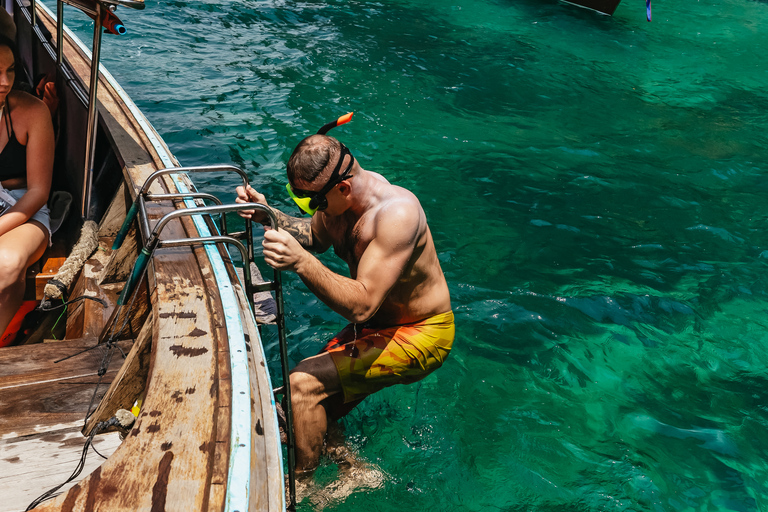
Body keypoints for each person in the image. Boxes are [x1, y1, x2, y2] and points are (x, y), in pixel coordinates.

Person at [236, 122, 454, 475]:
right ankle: (354, 470)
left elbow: (363, 303)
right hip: (375, 327)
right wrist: (269, 214)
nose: (309, 208)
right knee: (299, 410)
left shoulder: (397, 215)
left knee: (301, 387)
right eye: (299, 199)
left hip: (423, 332)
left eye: (312, 200)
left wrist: (303, 264)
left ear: (344, 187)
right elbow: (313, 236)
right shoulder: (333, 206)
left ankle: (301, 485)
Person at [0, 35, 55, 337]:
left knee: (6, 264)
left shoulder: (33, 112)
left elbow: (38, 191)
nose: (5, 81)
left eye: (10, 71)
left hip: (24, 208)